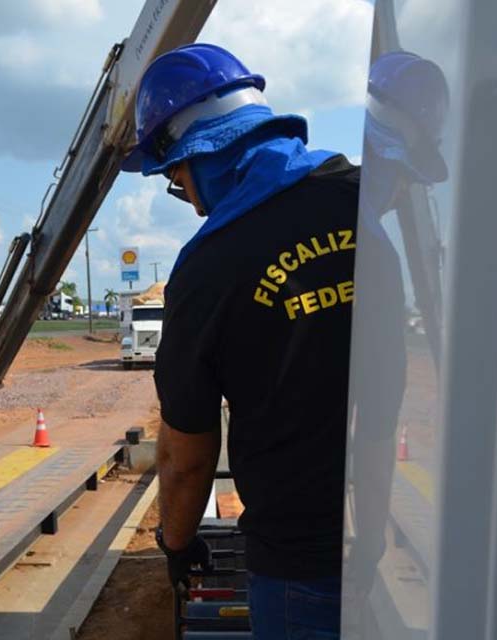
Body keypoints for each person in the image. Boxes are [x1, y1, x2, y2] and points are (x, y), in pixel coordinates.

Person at [122, 43, 359, 639]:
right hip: (415, 536)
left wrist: (176, 542)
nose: (193, 203)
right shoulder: (374, 197)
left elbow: (186, 452)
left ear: (203, 154)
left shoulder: (207, 269)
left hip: (303, 565)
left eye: (179, 180)